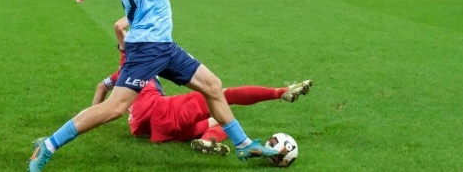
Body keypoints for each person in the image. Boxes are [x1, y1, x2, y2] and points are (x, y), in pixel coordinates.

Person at [29, 0, 280, 172]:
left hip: (164, 46)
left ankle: (244, 144)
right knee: (115, 108)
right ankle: (48, 145)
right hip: (147, 48)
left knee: (213, 86)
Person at [92, 25, 313, 155]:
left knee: (222, 120)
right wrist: (142, 14)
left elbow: (101, 86)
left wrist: (96, 114)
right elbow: (119, 29)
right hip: (164, 112)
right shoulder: (133, 59)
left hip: (157, 133)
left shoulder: (121, 73)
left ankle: (207, 141)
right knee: (222, 95)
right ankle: (280, 92)